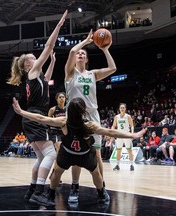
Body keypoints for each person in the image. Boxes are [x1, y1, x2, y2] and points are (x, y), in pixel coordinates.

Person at [12, 97, 147, 206]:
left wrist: (21, 112)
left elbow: (41, 118)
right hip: (84, 155)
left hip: (67, 154)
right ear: (84, 111)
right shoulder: (89, 125)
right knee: (96, 173)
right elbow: (111, 131)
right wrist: (133, 135)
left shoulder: (64, 121)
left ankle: (51, 195)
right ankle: (101, 194)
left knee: (57, 172)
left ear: (69, 110)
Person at [7, 10, 68, 203]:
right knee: (50, 154)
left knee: (41, 158)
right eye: (34, 58)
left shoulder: (37, 77)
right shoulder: (32, 72)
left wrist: (53, 62)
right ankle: (39, 193)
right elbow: (49, 45)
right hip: (35, 116)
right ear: (28, 65)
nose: (36, 59)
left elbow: (47, 78)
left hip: (32, 117)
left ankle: (31, 190)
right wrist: (57, 27)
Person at [64, 29, 116, 203]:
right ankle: (75, 186)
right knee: (77, 157)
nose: (79, 54)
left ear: (87, 59)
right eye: (78, 54)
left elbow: (113, 68)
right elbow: (72, 51)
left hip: (93, 116)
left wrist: (105, 49)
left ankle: (102, 187)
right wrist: (86, 42)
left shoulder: (92, 74)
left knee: (98, 155)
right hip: (75, 118)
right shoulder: (70, 74)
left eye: (83, 54)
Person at [48, 92, 66, 181]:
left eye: (63, 97)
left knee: (62, 155)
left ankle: (54, 173)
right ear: (56, 99)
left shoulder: (68, 110)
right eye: (60, 97)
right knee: (59, 152)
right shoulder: (52, 109)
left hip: (65, 133)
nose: (62, 98)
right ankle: (55, 175)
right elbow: (47, 121)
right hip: (55, 133)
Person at [111, 103, 135, 171]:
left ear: (125, 109)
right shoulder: (116, 117)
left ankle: (132, 165)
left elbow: (132, 125)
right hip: (119, 135)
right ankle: (118, 165)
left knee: (129, 150)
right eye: (121, 107)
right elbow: (113, 125)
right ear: (119, 109)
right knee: (118, 150)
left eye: (123, 108)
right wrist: (112, 131)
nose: (122, 109)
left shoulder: (128, 116)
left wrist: (132, 134)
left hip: (126, 135)